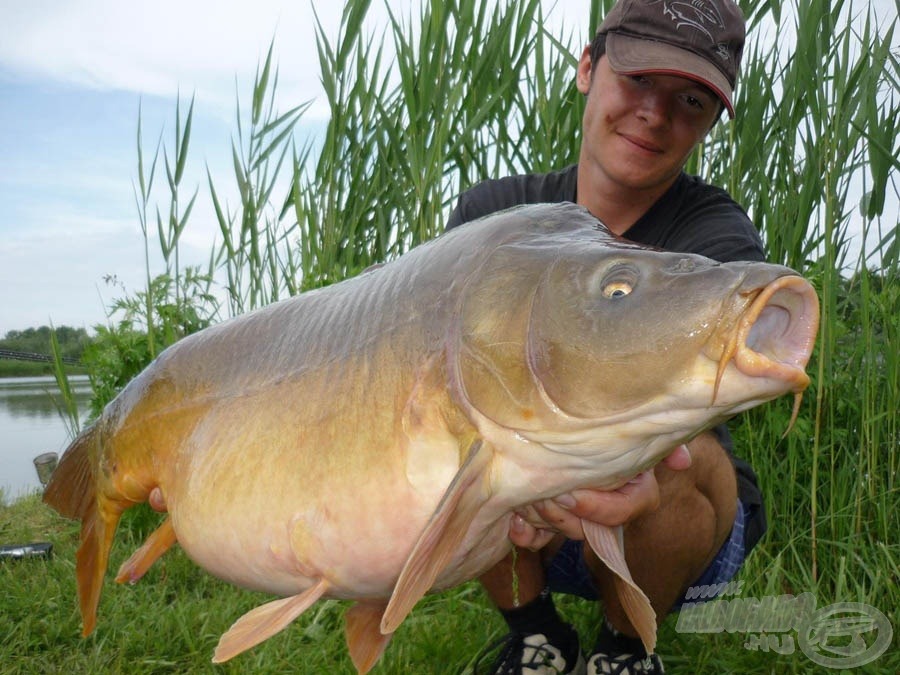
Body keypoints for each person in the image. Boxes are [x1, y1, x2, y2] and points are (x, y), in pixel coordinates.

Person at [445, 1, 767, 674]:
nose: (656, 113)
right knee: (458, 413)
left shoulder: (716, 243)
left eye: (690, 99)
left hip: (678, 534)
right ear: (587, 69)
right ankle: (535, 633)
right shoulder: (491, 216)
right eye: (639, 81)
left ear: (709, 122)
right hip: (530, 516)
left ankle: (625, 646)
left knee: (676, 453)